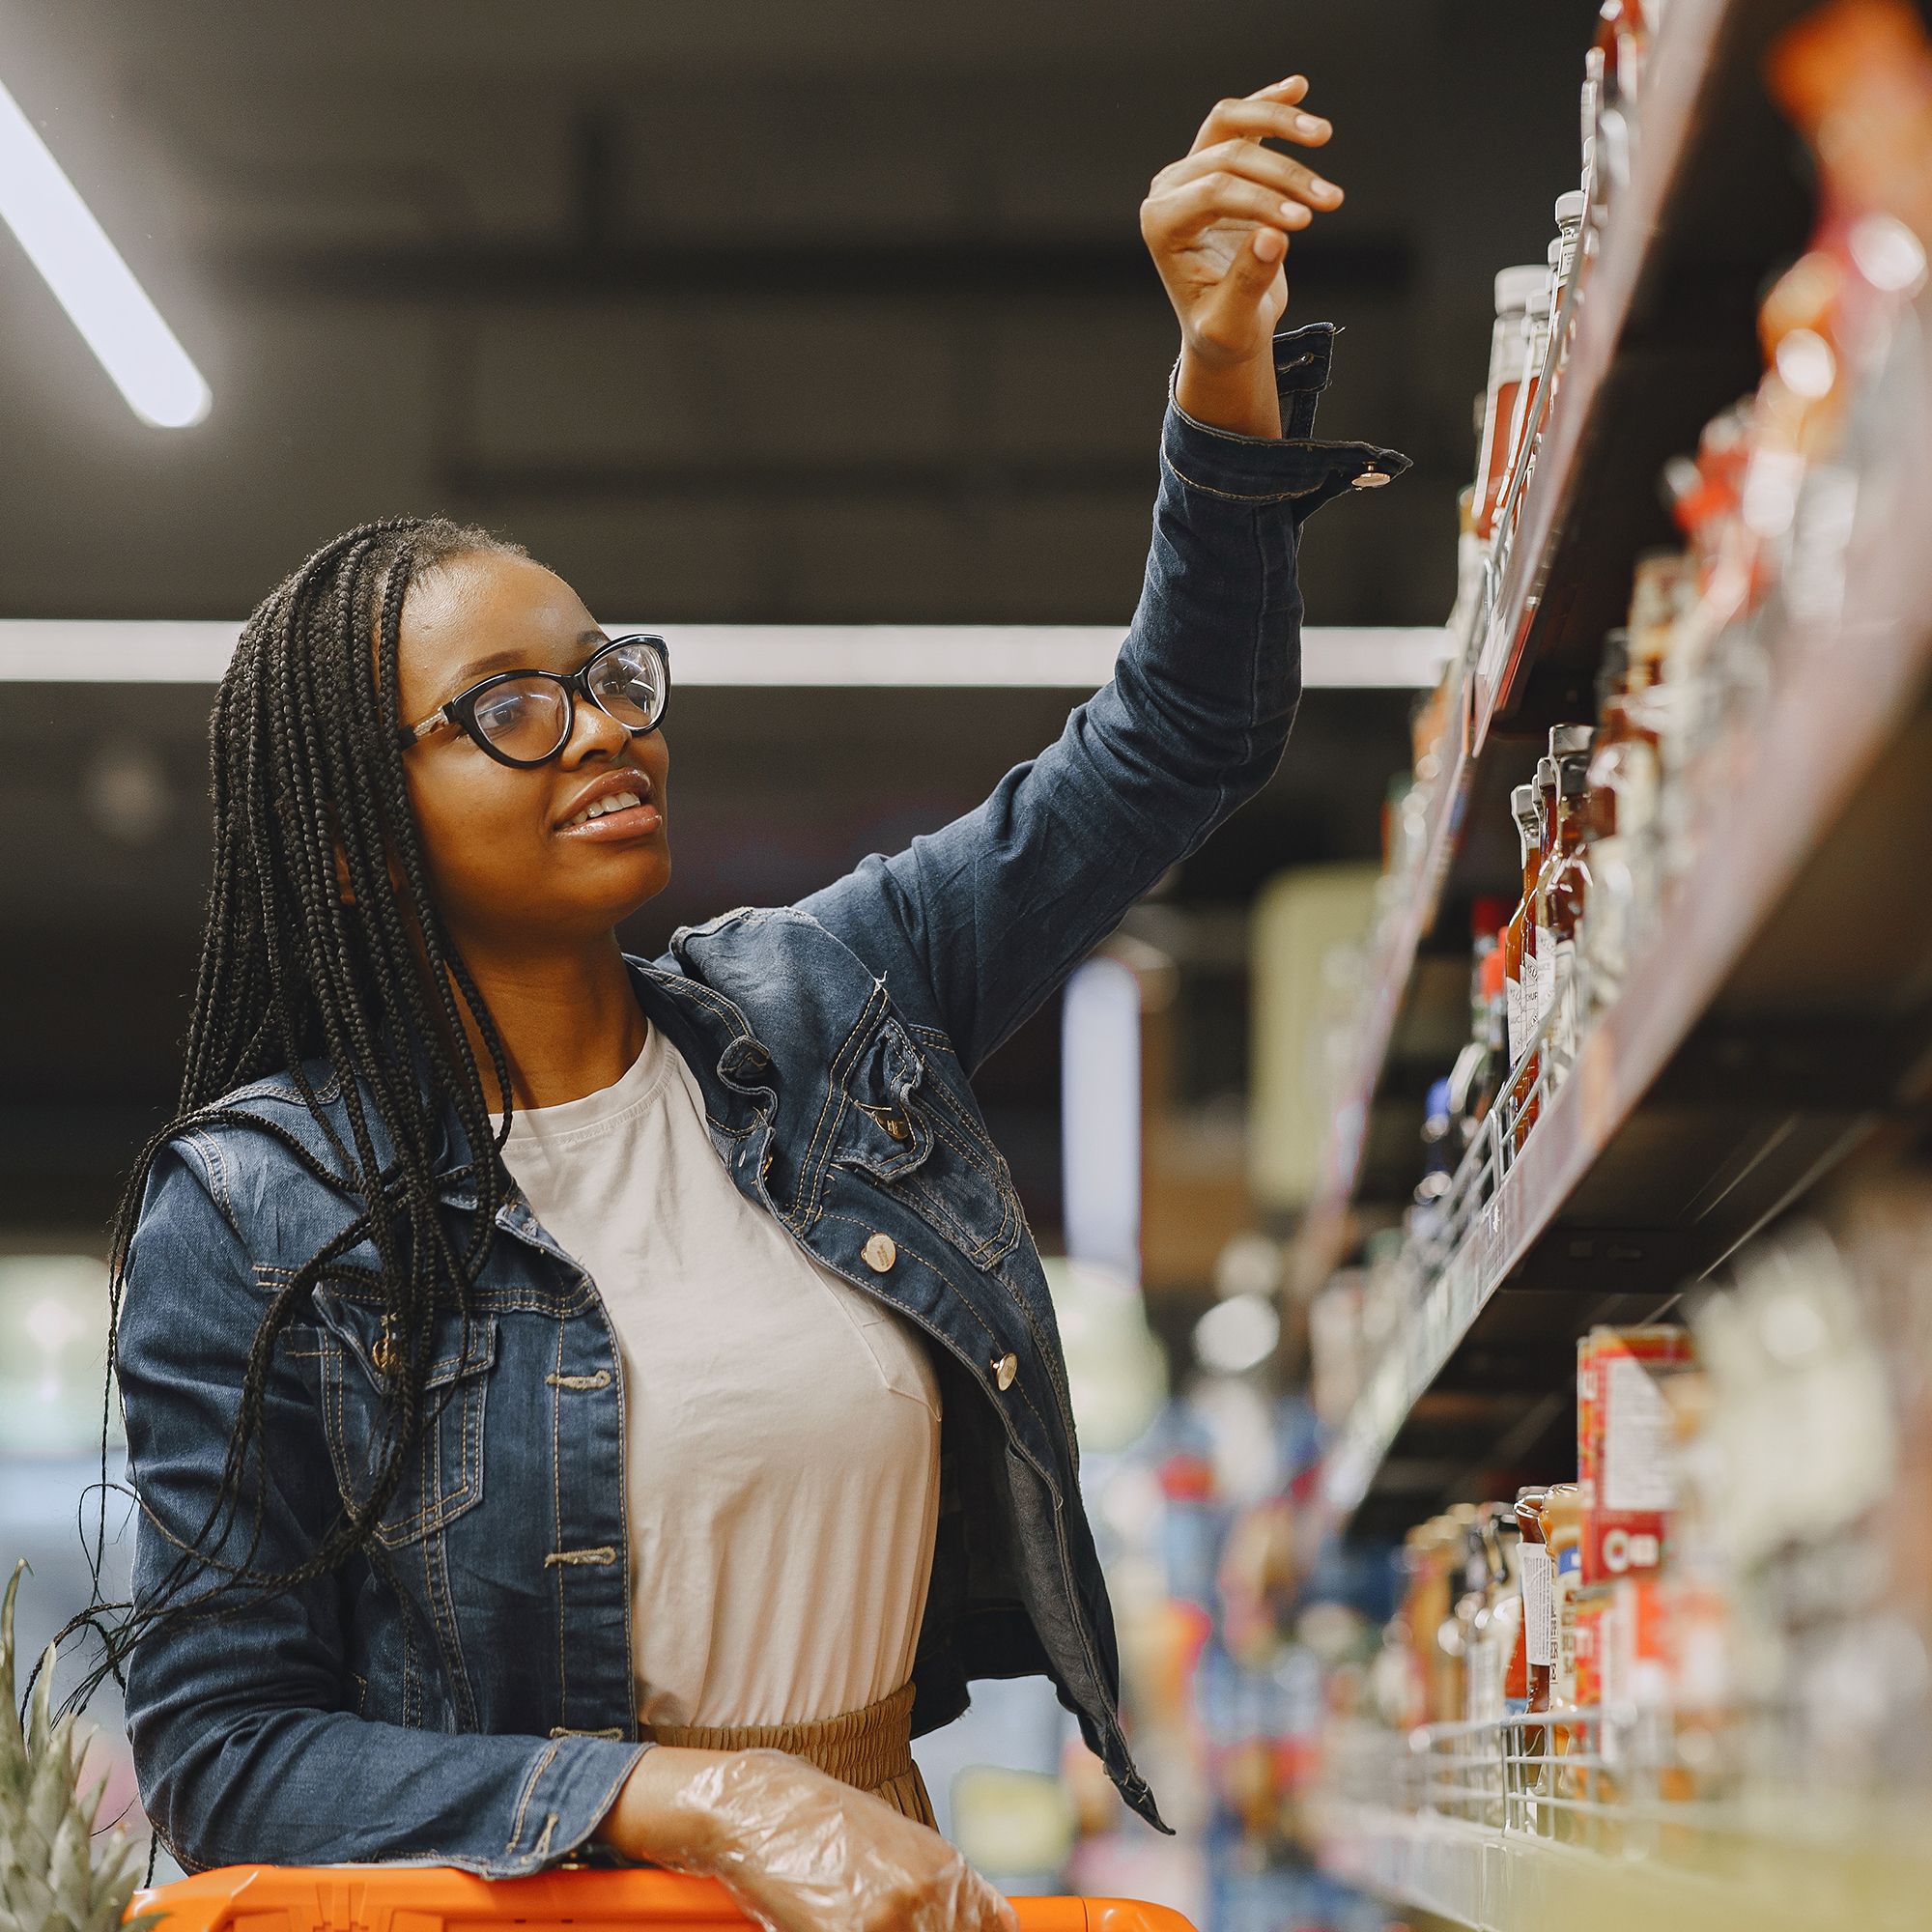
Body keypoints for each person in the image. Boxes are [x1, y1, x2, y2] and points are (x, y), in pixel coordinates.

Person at [102, 70, 1404, 1932]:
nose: (609, 726)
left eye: (607, 671)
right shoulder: (255, 1213)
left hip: (884, 1886)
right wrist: (688, 1805)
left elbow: (1178, 739)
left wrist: (1219, 369)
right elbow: (225, 1758)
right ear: (360, 844)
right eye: (514, 710)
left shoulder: (820, 1009)